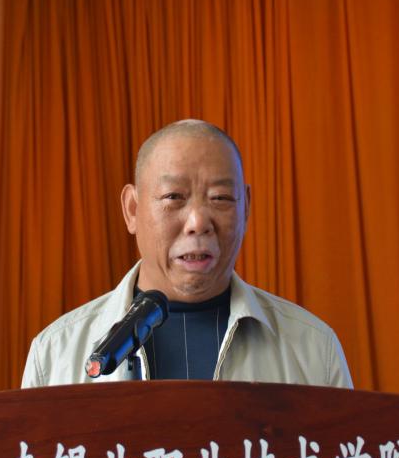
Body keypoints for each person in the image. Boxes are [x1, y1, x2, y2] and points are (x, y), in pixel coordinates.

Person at [21, 119, 353, 389]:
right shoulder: (55, 353)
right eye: (174, 197)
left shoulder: (313, 348)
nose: (198, 223)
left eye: (220, 198)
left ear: (246, 208)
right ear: (132, 209)